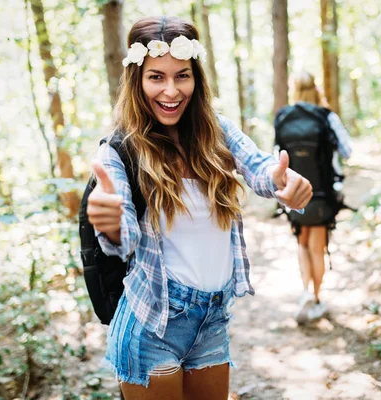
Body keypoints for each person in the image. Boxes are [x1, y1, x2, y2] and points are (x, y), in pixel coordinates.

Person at [86, 16, 312, 399]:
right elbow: (122, 236)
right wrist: (110, 225)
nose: (171, 90)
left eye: (182, 76)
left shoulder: (217, 131)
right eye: (156, 76)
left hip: (211, 320)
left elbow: (259, 167)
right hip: (152, 323)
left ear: (197, 77)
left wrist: (282, 181)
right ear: (137, 81)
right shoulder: (119, 152)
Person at [276, 71, 353, 325]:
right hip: (322, 194)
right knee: (318, 248)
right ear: (315, 88)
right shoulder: (326, 116)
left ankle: (305, 293)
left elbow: (276, 156)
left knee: (303, 243)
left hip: (293, 193)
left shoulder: (283, 116)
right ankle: (317, 300)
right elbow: (348, 151)